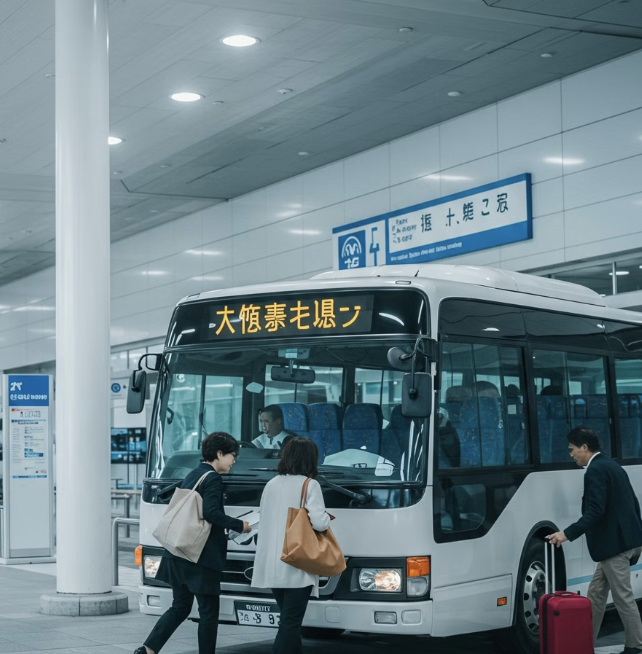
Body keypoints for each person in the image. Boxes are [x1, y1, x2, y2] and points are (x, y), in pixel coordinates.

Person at [135, 432, 251, 654]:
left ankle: (147, 650)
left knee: (180, 607)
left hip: (179, 551)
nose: (234, 461)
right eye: (232, 455)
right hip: (200, 558)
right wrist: (239, 525)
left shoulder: (194, 474)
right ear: (219, 454)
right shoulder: (212, 478)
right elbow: (210, 513)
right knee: (208, 613)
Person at [549, 427, 642, 654]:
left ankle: (635, 647)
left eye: (572, 449)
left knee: (623, 598)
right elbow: (633, 503)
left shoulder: (595, 470)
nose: (571, 454)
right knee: (596, 595)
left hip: (614, 547)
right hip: (622, 543)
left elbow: (595, 511)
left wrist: (566, 534)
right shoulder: (612, 466)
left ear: (584, 447)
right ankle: (583, 644)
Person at [251, 436, 331, 654]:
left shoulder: (271, 484)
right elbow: (319, 522)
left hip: (272, 564)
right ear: (310, 459)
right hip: (297, 564)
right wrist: (327, 517)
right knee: (291, 623)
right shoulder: (310, 485)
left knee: (289, 620)